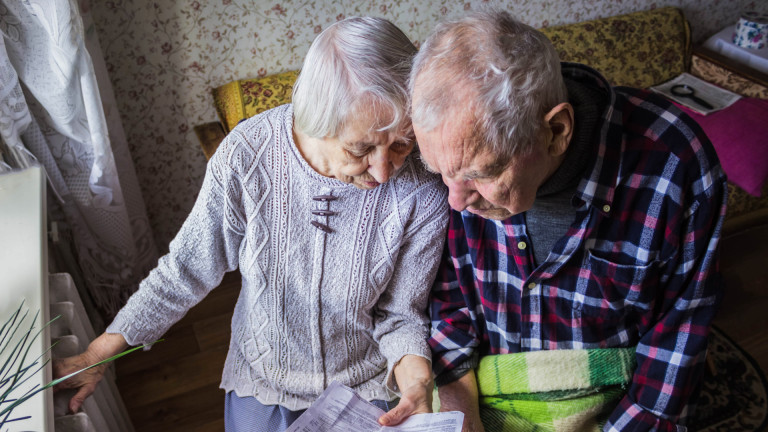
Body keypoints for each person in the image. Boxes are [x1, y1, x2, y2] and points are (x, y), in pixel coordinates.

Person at [53, 16, 448, 431]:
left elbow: (401, 314)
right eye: (360, 148)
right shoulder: (247, 157)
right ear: (317, 120)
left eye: (401, 144)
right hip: (262, 377)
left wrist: (417, 385)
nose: (384, 171)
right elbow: (185, 270)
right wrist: (97, 355)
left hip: (365, 385)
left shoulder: (423, 187)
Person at [409, 10, 727, 432]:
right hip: (488, 398)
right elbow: (451, 308)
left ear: (556, 130)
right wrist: (461, 415)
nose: (455, 200)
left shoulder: (677, 167)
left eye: (480, 175)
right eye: (440, 172)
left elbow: (669, 367)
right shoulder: (460, 162)